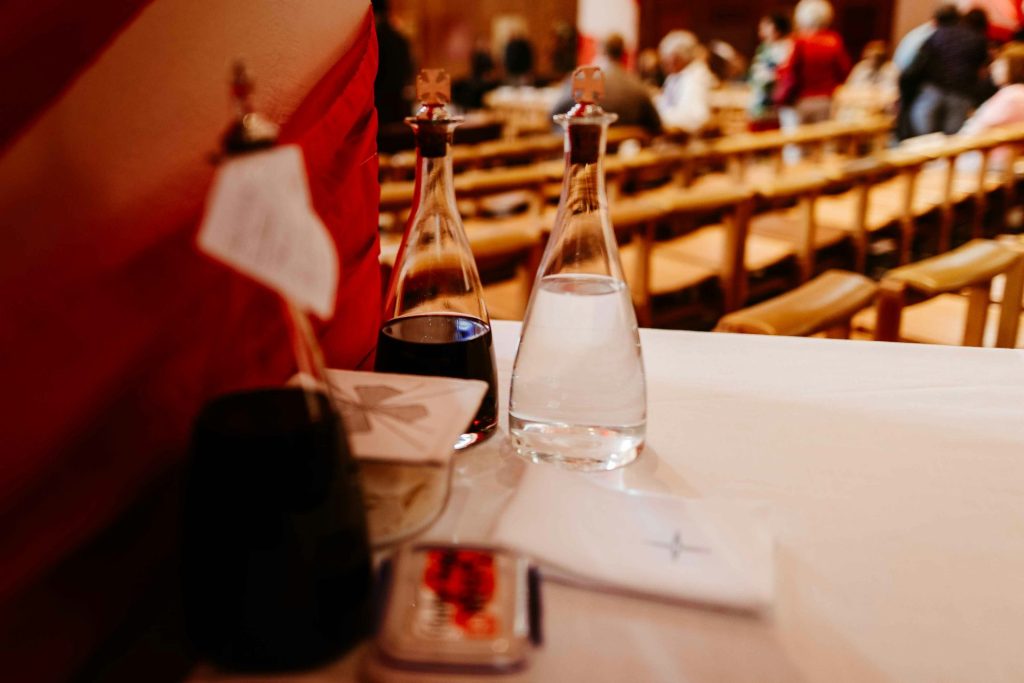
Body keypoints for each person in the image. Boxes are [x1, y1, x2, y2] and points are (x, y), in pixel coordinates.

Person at [551, 34, 662, 135]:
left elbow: (554, 114)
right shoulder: (637, 84)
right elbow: (655, 124)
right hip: (625, 152)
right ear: (623, 53)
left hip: (585, 149)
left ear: (600, 50)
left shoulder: (582, 79)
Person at [902, 8, 989, 135]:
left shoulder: (938, 34)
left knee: (923, 138)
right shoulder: (979, 40)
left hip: (933, 90)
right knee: (951, 140)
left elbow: (919, 63)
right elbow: (982, 72)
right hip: (961, 93)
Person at [774, 0, 851, 132]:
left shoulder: (800, 42)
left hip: (801, 100)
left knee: (799, 145)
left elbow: (789, 70)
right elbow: (844, 70)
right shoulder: (833, 41)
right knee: (821, 142)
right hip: (826, 100)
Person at [960, 42, 1024, 169]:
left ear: (1014, 67)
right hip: (1006, 161)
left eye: (1000, 63)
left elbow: (977, 130)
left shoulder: (1010, 96)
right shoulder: (1018, 93)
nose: (992, 67)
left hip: (990, 162)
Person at [655, 30, 715, 133]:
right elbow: (666, 105)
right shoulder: (675, 76)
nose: (665, 65)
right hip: (672, 133)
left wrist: (660, 118)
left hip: (689, 140)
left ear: (680, 57)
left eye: (668, 59)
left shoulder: (696, 76)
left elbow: (697, 118)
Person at [748, 13, 793, 130]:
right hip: (759, 102)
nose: (761, 28)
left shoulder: (788, 47)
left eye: (766, 25)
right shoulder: (764, 48)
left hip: (776, 103)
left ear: (776, 27)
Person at [373, 0, 414, 126]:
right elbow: (409, 70)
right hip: (400, 106)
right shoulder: (400, 39)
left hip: (381, 109)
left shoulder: (376, 40)